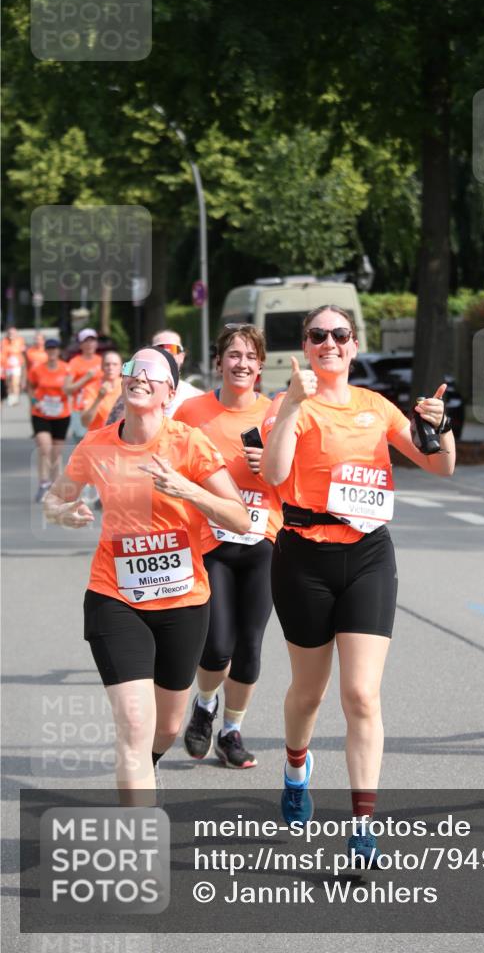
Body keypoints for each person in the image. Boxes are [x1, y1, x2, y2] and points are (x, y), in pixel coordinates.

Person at [261, 304, 455, 863]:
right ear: (306, 345)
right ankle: (296, 765)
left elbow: (440, 466)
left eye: (339, 335)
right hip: (303, 557)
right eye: (318, 335)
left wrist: (438, 426)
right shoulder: (289, 404)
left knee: (362, 695)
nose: (329, 343)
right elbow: (274, 474)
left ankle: (363, 824)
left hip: (369, 554)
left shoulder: (376, 406)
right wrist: (293, 404)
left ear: (352, 344)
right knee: (309, 692)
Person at [44, 345, 250, 802]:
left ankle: (148, 764)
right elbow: (53, 500)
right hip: (115, 597)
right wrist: (65, 513)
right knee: (135, 725)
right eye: (133, 369)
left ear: (169, 393)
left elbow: (239, 518)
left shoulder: (188, 444)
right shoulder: (96, 444)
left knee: (167, 726)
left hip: (183, 601)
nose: (139, 375)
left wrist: (187, 489)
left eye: (152, 372)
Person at [174, 324, 282, 768]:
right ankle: (203, 705)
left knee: (250, 646)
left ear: (260, 365)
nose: (242, 364)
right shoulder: (192, 410)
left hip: (264, 539)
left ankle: (232, 731)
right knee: (217, 646)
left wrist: (272, 465)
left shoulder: (278, 411)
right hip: (210, 540)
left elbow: (300, 474)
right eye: (233, 355)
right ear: (218, 362)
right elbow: (169, 461)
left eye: (250, 356)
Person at [28, 337, 71, 502]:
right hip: (41, 413)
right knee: (45, 448)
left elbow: (70, 389)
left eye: (55, 348)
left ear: (58, 351)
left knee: (56, 452)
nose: (52, 351)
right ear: (45, 351)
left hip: (61, 414)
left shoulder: (66, 369)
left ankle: (55, 485)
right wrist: (34, 401)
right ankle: (43, 483)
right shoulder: (37, 369)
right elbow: (30, 386)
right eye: (49, 348)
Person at [64, 328, 103, 440]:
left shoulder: (102, 361)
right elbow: (67, 389)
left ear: (96, 343)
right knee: (82, 442)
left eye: (92, 340)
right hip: (80, 408)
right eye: (86, 341)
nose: (89, 344)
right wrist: (86, 378)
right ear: (80, 345)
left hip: (100, 407)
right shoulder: (74, 362)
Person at [81, 350, 123, 431]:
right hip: (98, 438)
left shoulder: (126, 386)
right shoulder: (91, 388)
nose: (111, 368)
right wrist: (99, 398)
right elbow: (85, 423)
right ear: (102, 367)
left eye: (115, 364)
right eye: (107, 364)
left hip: (121, 437)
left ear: (121, 367)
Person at [2, 326, 26, 406]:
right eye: (10, 333)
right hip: (7, 364)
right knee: (8, 382)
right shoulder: (4, 341)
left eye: (13, 333)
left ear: (16, 334)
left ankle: (16, 398)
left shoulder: (20, 340)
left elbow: (22, 350)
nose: (11, 334)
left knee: (15, 382)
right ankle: (10, 397)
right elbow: (3, 352)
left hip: (17, 364)